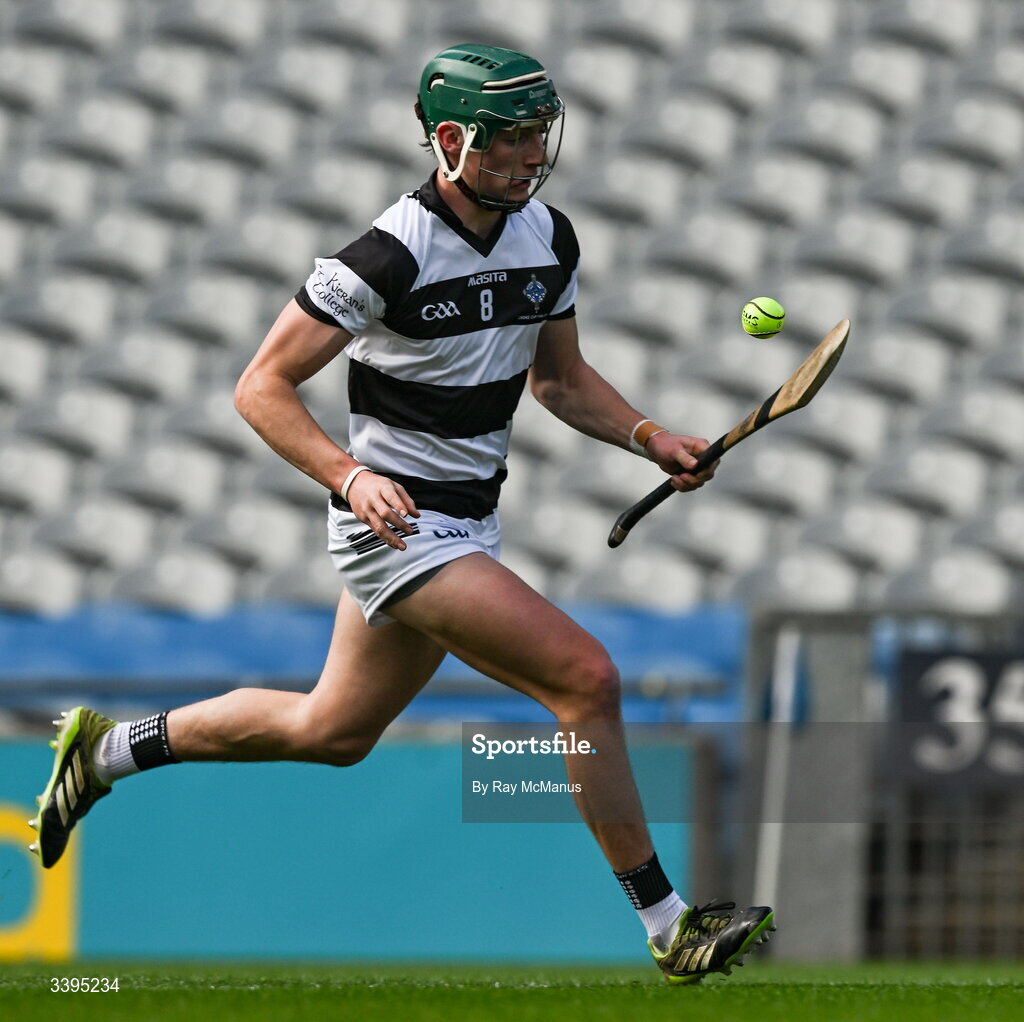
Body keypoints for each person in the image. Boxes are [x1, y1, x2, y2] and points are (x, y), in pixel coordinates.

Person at [30, 43, 773, 983]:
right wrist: (347, 476)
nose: (528, 154)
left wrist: (650, 436)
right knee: (586, 680)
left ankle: (107, 753)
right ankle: (670, 925)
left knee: (331, 733)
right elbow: (260, 386)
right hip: (399, 529)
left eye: (537, 134)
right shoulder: (386, 253)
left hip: (466, 522)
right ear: (451, 140)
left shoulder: (552, 235)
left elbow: (560, 380)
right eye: (507, 139)